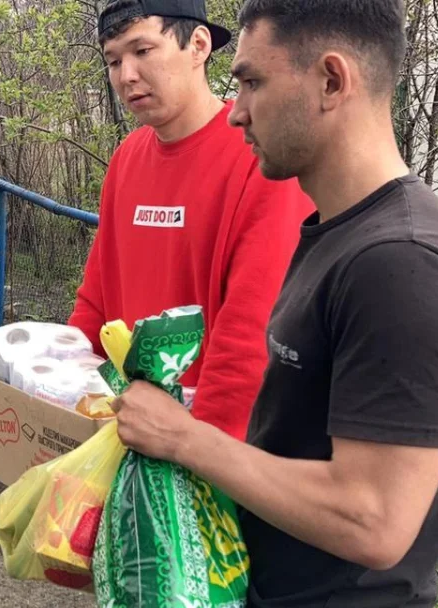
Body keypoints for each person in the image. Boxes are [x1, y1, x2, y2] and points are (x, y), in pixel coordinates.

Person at [111, 0, 438, 608]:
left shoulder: (404, 263)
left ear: (331, 81)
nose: (234, 111)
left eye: (252, 82)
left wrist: (182, 437)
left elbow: (373, 519)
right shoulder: (335, 232)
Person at [70, 0, 314, 452]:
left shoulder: (261, 160)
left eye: (142, 51)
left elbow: (251, 334)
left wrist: (198, 452)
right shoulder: (127, 158)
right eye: (113, 60)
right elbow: (96, 300)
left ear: (198, 45)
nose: (126, 75)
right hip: (123, 433)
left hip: (211, 450)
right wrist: (68, 400)